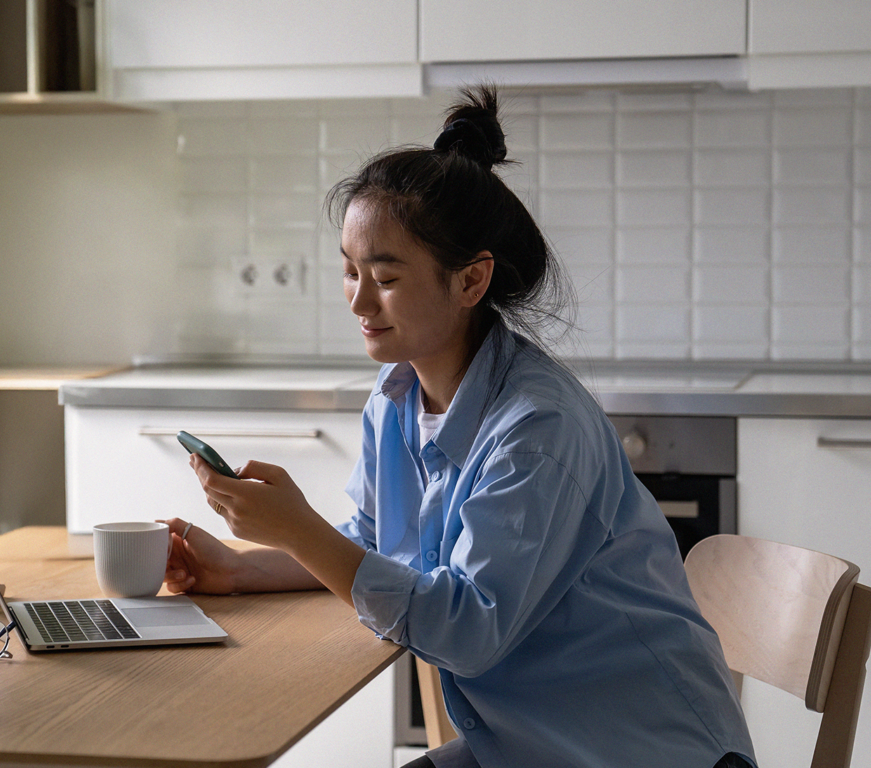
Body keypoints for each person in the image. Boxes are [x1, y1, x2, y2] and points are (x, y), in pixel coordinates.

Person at [162, 85, 757, 768]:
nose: (358, 299)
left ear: (471, 281)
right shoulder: (395, 401)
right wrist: (240, 569)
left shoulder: (538, 429)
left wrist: (296, 529)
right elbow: (368, 545)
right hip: (524, 745)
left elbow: (469, 629)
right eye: (350, 271)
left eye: (384, 277)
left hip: (638, 750)